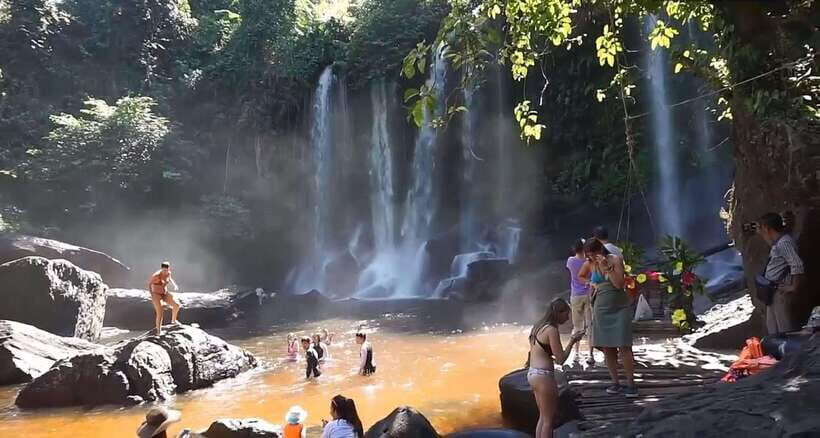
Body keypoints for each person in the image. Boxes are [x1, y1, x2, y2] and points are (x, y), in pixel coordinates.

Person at [584, 238, 637, 397]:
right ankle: (615, 382)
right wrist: (591, 286)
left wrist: (608, 268)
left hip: (619, 307)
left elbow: (619, 284)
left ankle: (631, 384)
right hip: (601, 308)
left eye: (592, 255)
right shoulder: (591, 264)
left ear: (600, 250)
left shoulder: (615, 260)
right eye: (588, 256)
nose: (591, 258)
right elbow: (584, 277)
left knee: (624, 346)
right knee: (607, 347)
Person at [527, 298, 585, 438]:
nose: (567, 318)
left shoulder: (539, 326)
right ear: (559, 313)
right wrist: (572, 341)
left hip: (532, 374)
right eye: (566, 314)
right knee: (548, 421)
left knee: (542, 418)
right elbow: (560, 359)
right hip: (544, 376)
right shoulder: (551, 330)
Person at [756, 212, 805, 334]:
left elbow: (796, 264)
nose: (760, 231)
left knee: (784, 328)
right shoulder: (778, 243)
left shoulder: (784, 242)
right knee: (773, 328)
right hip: (772, 291)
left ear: (767, 228)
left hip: (780, 291)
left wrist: (793, 286)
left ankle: (790, 352)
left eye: (761, 228)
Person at [567, 238, 594, 365]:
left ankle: (576, 354)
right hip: (589, 294)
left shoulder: (570, 261)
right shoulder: (589, 262)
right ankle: (591, 354)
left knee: (577, 326)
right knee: (590, 325)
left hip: (575, 296)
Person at [148, 261, 182, 334]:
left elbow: (170, 279)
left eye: (166, 270)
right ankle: (159, 332)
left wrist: (174, 285)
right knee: (160, 312)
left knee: (176, 305)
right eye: (163, 270)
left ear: (169, 269)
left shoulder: (168, 273)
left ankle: (173, 321)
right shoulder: (156, 275)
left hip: (164, 293)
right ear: (161, 269)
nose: (165, 272)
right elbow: (149, 284)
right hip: (156, 294)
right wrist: (152, 295)